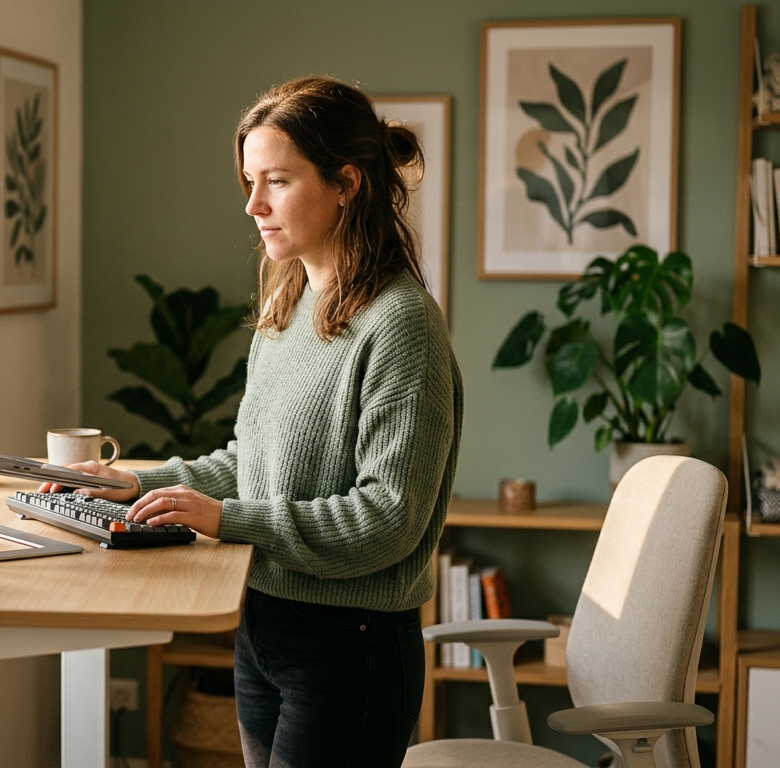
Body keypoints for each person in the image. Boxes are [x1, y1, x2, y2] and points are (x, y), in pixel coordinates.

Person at [41, 75, 463, 768]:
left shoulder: (401, 324)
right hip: (264, 629)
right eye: (248, 180)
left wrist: (227, 519)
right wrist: (137, 482)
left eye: (276, 181)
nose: (253, 204)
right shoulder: (289, 303)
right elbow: (250, 461)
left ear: (346, 184)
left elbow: (390, 519)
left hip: (349, 650)